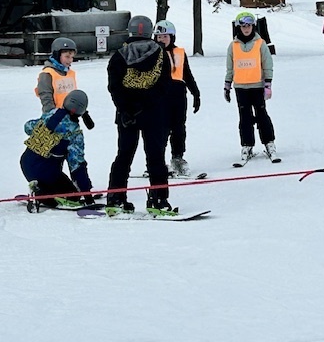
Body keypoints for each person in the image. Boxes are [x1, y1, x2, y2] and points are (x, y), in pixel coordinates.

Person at [106, 15, 173, 215]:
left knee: (124, 155)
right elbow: (164, 85)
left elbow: (114, 87)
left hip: (127, 114)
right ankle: (158, 199)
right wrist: (146, 103)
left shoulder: (119, 55)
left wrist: (127, 108)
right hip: (153, 112)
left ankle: (115, 197)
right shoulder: (160, 54)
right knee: (156, 156)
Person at [20, 90, 94, 211]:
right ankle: (42, 194)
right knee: (72, 195)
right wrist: (86, 193)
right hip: (46, 171)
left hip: (26, 163)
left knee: (59, 183)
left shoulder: (50, 114)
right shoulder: (74, 133)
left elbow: (28, 127)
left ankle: (38, 186)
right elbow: (77, 165)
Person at [224, 12, 277, 162]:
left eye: (248, 26)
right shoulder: (233, 46)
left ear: (253, 26)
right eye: (243, 26)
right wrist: (227, 85)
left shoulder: (260, 43)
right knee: (244, 118)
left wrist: (268, 84)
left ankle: (269, 143)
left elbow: (267, 64)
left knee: (262, 115)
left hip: (257, 86)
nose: (246, 29)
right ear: (238, 27)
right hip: (241, 87)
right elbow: (230, 67)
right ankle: (247, 145)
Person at [153, 20, 201, 176]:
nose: (162, 39)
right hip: (161, 96)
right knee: (161, 129)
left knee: (179, 128)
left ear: (172, 37)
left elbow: (186, 73)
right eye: (158, 37)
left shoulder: (180, 52)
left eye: (165, 36)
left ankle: (178, 158)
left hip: (179, 96)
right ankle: (157, 161)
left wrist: (195, 93)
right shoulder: (152, 53)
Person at [35, 37, 95, 129]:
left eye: (72, 57)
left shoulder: (70, 74)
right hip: (56, 121)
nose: (70, 60)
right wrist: (54, 120)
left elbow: (74, 97)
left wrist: (83, 112)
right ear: (57, 55)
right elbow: (46, 99)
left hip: (71, 120)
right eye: (67, 57)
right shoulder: (47, 74)